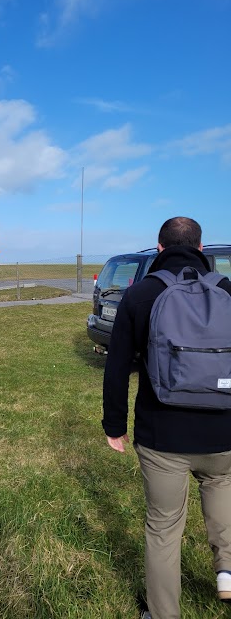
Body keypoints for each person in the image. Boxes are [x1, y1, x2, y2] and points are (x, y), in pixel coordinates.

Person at [102, 217, 231, 619]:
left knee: (163, 529)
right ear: (200, 246)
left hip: (163, 437)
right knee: (225, 512)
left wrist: (114, 425)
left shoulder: (140, 294)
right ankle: (226, 575)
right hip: (224, 435)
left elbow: (118, 366)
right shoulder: (228, 291)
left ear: (159, 248)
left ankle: (162, 615)